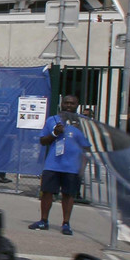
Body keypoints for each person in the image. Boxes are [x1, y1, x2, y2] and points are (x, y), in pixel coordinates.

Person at [30, 94, 91, 235]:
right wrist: (54, 133)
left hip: (72, 166)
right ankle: (43, 220)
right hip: (53, 164)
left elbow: (86, 148)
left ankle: (66, 223)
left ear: (77, 105)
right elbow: (43, 141)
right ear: (61, 104)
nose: (69, 106)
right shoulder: (52, 120)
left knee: (68, 195)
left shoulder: (83, 123)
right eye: (66, 103)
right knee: (47, 193)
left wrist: (82, 167)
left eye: (72, 103)